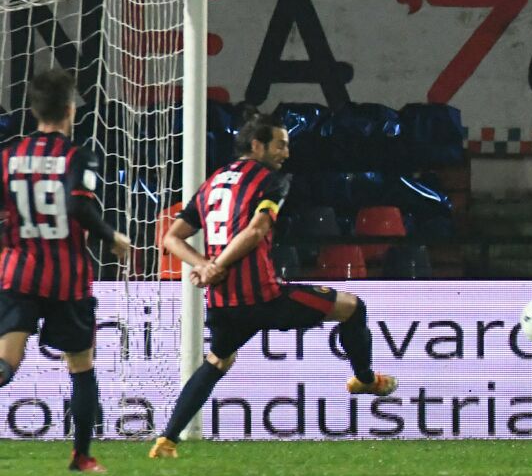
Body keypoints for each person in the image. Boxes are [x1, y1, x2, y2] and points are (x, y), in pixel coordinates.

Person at [149, 106, 397, 458]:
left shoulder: (214, 181)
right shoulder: (271, 180)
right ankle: (365, 379)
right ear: (257, 145)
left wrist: (205, 267)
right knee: (354, 308)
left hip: (223, 301)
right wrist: (213, 264)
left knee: (216, 362)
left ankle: (166, 440)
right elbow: (256, 229)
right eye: (280, 145)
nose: (286, 153)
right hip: (263, 296)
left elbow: (171, 239)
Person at [0, 69, 132, 472]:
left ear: (33, 109)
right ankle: (82, 456)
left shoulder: (7, 156)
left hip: (18, 272)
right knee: (81, 366)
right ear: (71, 109)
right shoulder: (79, 157)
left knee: (6, 363)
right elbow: (77, 205)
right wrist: (112, 236)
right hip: (67, 278)